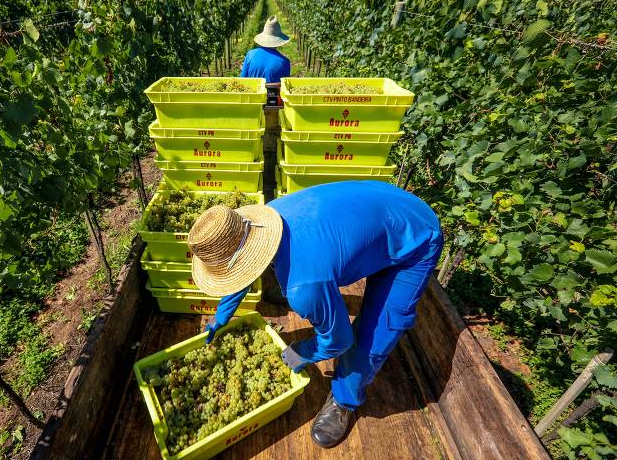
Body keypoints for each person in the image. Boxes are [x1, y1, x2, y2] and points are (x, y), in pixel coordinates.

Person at [187, 181, 443, 449]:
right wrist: (223, 315)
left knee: (375, 333)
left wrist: (302, 351)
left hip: (416, 237)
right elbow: (241, 268)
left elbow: (338, 341)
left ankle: (344, 400)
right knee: (312, 286)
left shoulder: (303, 285)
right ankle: (319, 282)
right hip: (380, 209)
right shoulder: (267, 218)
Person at [240, 15, 291, 84]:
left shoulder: (250, 55)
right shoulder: (285, 62)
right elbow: (284, 86)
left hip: (254, 94)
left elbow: (243, 80)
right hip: (274, 94)